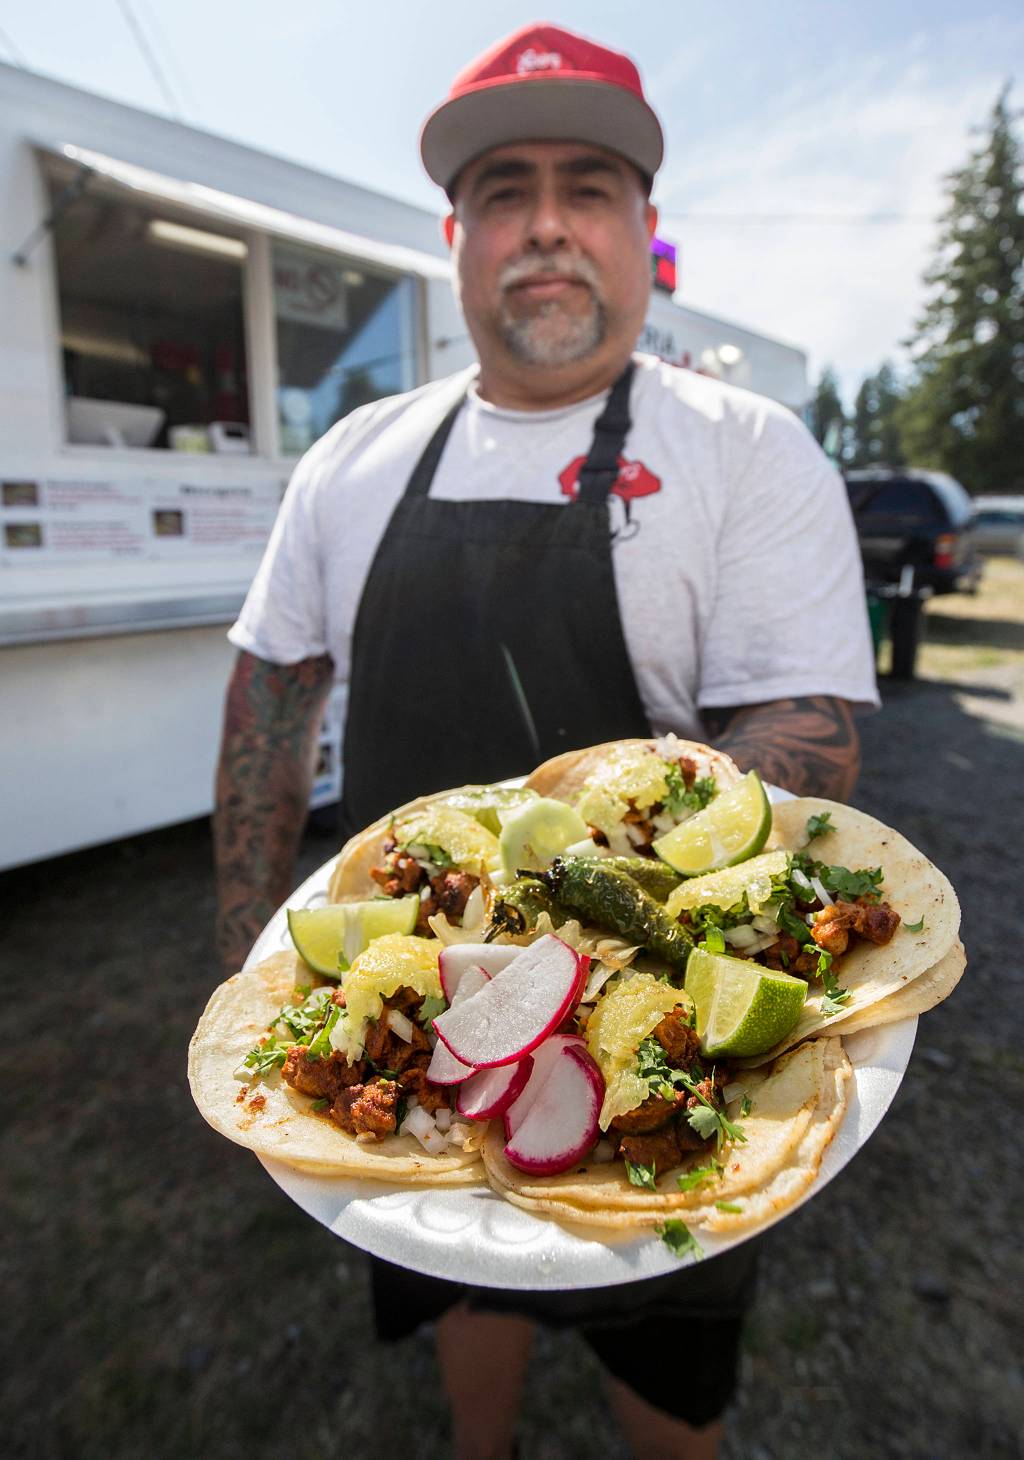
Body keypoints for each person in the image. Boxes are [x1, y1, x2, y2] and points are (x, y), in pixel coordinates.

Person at [213, 22, 877, 1459]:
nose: (548, 227)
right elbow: (270, 704)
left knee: (672, 1358)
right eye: (505, 191)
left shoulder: (746, 450)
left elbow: (810, 734)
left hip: (657, 1036)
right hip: (422, 1021)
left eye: (590, 187)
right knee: (465, 1287)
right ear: (457, 236)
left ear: (644, 227)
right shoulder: (350, 460)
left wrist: (627, 864)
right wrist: (246, 970)